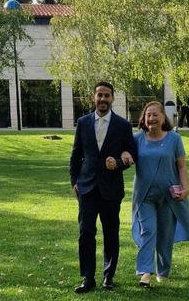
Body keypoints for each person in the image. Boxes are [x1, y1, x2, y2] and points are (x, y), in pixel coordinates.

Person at [69, 81, 136, 293]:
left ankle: (109, 276)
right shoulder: (82, 122)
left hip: (111, 189)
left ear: (113, 98)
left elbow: (132, 155)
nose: (103, 99)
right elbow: (76, 155)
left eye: (107, 96)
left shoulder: (123, 125)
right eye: (100, 95)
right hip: (87, 189)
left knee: (111, 233)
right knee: (86, 232)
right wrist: (74, 182)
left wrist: (118, 162)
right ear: (93, 97)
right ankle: (88, 278)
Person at [132, 101, 189, 288]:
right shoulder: (136, 140)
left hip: (169, 196)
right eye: (148, 115)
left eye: (155, 114)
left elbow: (181, 166)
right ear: (143, 119)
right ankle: (145, 273)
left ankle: (163, 271)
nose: (151, 118)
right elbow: (125, 157)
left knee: (165, 235)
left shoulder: (174, 139)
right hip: (144, 196)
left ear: (162, 117)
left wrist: (185, 188)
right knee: (148, 231)